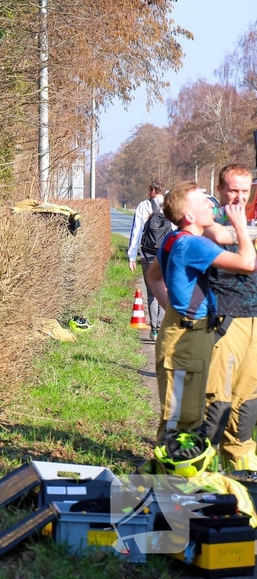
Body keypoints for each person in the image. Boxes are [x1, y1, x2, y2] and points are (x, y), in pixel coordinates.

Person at [145, 181, 256, 449]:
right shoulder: (194, 245)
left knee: (185, 413)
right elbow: (248, 264)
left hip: (182, 331)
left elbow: (153, 276)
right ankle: (171, 481)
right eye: (203, 202)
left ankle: (178, 478)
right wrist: (241, 227)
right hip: (187, 339)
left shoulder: (174, 239)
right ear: (190, 216)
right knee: (182, 419)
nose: (210, 204)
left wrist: (173, 307)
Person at [201, 164, 257, 470]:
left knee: (248, 401)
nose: (238, 197)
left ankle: (242, 474)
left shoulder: (251, 219)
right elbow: (221, 236)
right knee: (217, 401)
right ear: (221, 189)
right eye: (233, 190)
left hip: (255, 320)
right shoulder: (210, 218)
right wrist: (240, 225)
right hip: (225, 319)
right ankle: (195, 471)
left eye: (244, 191)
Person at [129, 181, 167, 340]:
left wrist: (132, 256)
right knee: (165, 291)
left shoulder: (143, 206)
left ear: (152, 191)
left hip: (147, 255)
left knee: (152, 293)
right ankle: (162, 326)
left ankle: (154, 330)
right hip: (166, 255)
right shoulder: (170, 204)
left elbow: (136, 231)